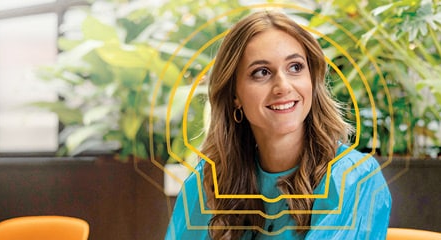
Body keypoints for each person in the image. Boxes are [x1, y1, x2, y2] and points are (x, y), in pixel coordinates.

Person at [165, 11, 391, 239]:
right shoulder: (208, 183)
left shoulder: (353, 178)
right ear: (235, 95)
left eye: (295, 67)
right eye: (261, 72)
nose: (283, 86)